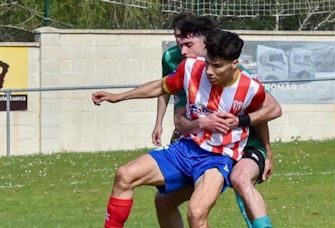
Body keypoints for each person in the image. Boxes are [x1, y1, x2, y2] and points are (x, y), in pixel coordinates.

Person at [92, 29, 268, 228]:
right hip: (185, 148)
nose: (209, 71)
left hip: (218, 158)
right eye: (208, 62)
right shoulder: (191, 68)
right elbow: (160, 87)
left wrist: (267, 152)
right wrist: (118, 97)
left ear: (234, 64)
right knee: (125, 175)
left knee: (196, 213)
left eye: (217, 66)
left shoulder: (252, 89)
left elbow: (264, 116)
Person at [153, 16, 281, 228]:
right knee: (164, 200)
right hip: (207, 150)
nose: (181, 47)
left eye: (188, 42)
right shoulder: (178, 63)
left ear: (206, 44)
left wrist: (267, 151)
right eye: (178, 38)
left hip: (245, 147)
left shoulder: (235, 75)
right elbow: (166, 92)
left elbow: (269, 110)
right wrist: (171, 126)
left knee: (240, 179)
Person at [152, 11, 197, 146]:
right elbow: (163, 89)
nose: (181, 40)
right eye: (177, 36)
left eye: (185, 36)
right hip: (181, 120)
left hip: (203, 120)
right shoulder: (169, 57)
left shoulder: (209, 55)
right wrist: (158, 123)